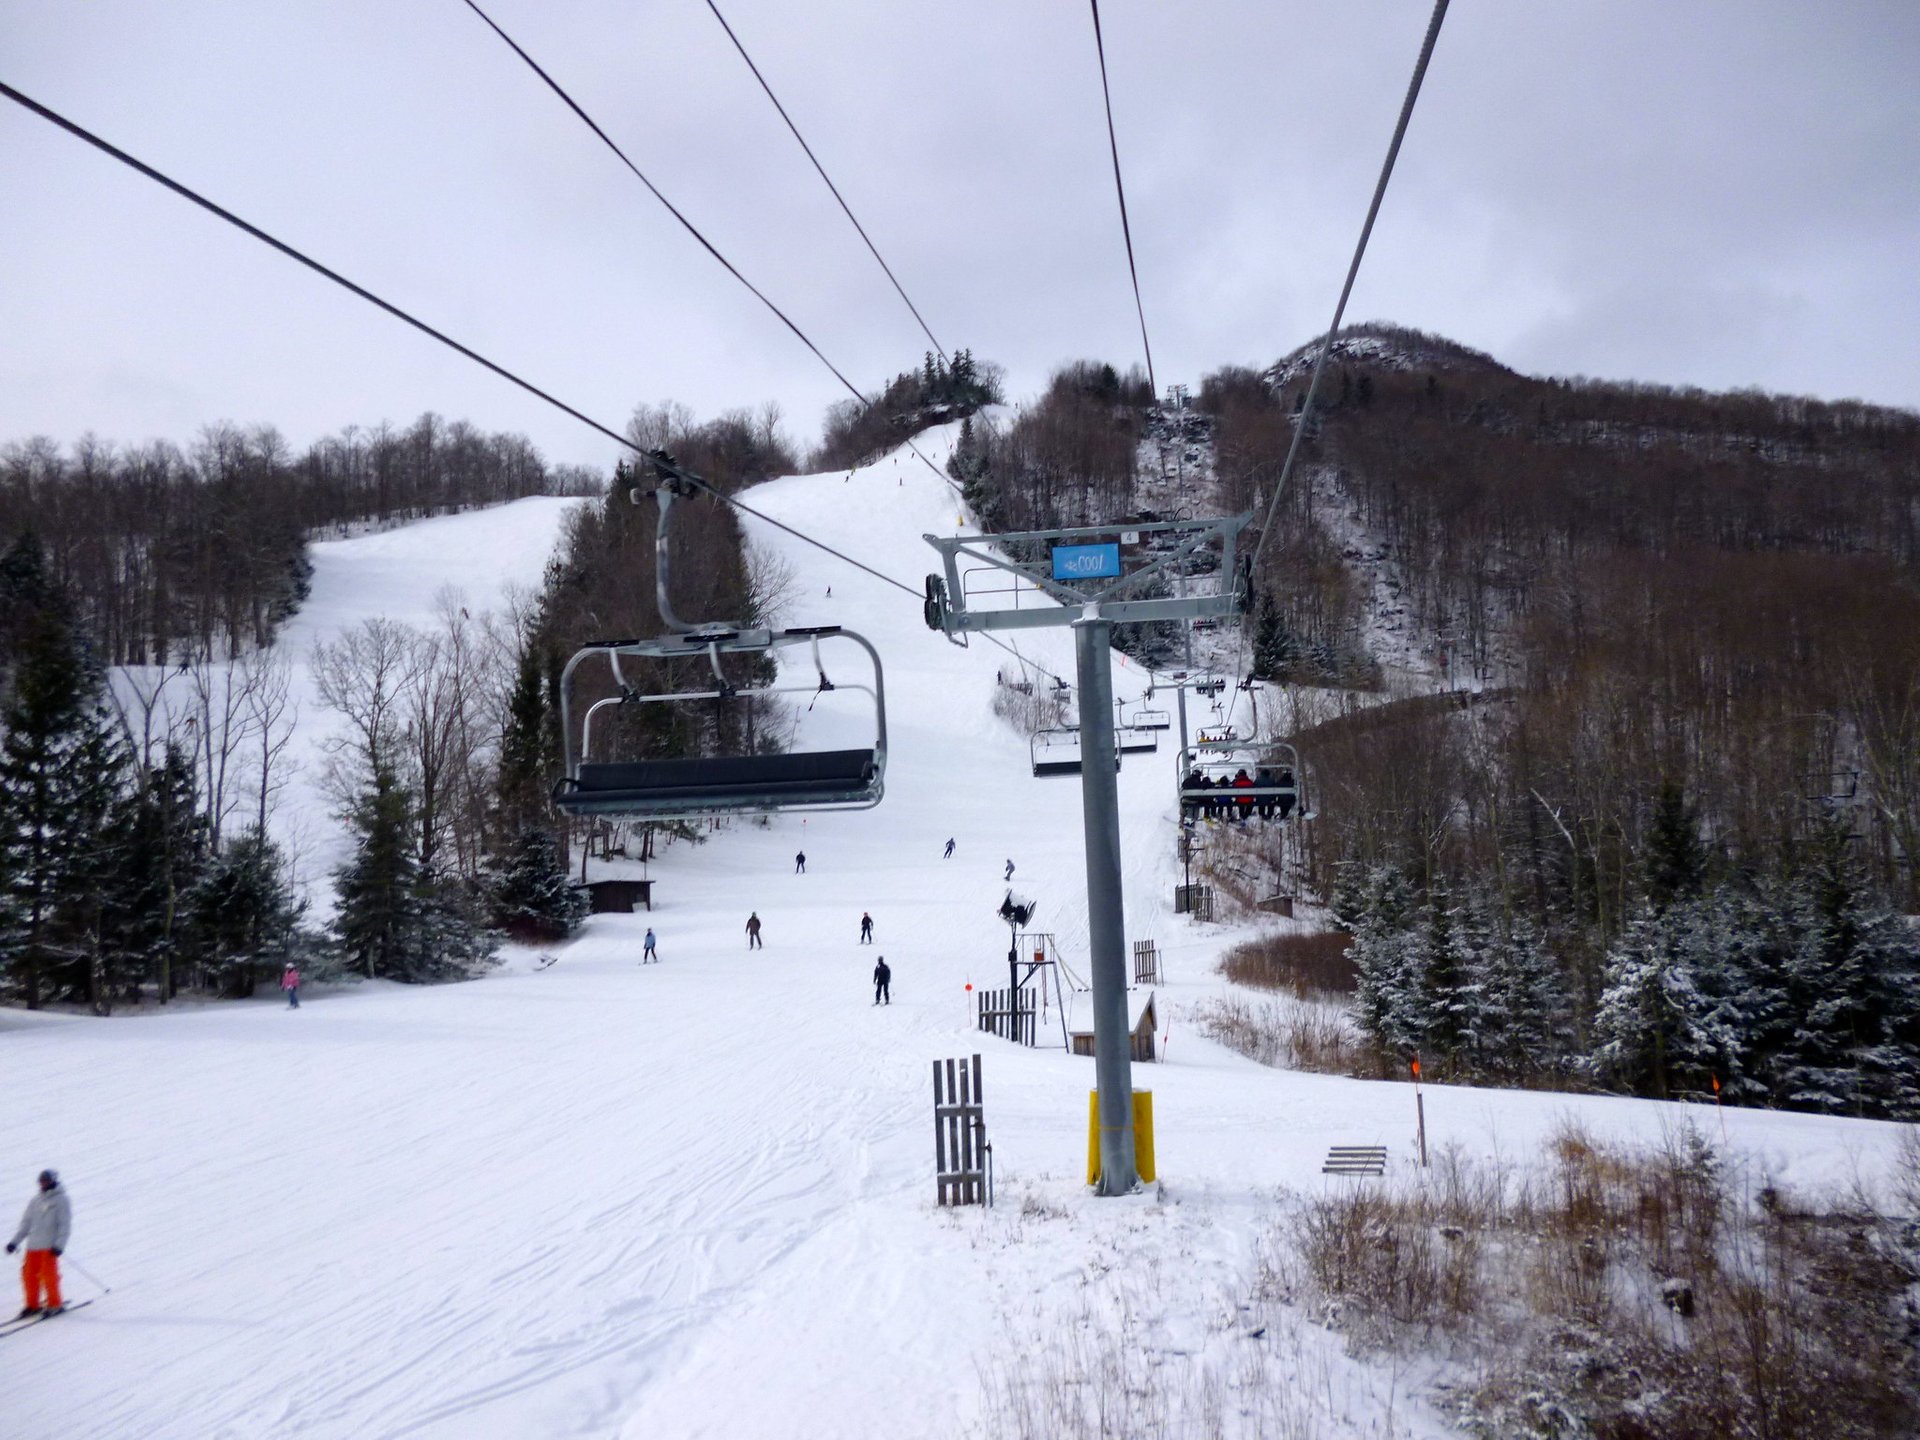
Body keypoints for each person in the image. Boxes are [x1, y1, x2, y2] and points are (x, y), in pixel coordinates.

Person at [8, 1169, 71, 1319]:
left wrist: (59, 1245)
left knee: (49, 1276)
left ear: (54, 1180)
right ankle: (32, 1305)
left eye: (46, 1181)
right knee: (29, 1276)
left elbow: (65, 1225)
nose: (43, 1184)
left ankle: (54, 1304)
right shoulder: (35, 1200)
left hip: (49, 1247)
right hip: (33, 1246)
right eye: (41, 1181)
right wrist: (14, 1242)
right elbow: (26, 1224)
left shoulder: (61, 1200)